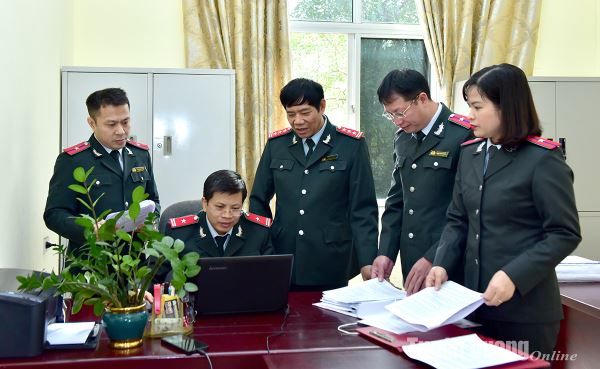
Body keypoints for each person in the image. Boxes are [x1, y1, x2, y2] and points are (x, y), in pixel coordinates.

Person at [426, 63, 581, 356]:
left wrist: (513, 275)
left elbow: (564, 233)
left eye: (477, 106)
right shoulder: (470, 153)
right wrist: (441, 262)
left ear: (506, 107)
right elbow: (458, 220)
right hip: (472, 306)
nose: (469, 115)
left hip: (524, 314)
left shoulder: (542, 159)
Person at [249, 78, 379, 290]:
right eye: (291, 114)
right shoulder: (277, 145)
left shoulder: (350, 145)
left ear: (322, 106)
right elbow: (258, 199)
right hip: (283, 255)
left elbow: (363, 209)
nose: (297, 121)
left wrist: (367, 260)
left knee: (328, 322)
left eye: (305, 112)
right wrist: (263, 247)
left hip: (330, 259)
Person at [371, 69, 472, 294]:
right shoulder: (403, 139)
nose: (397, 122)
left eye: (400, 112)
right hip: (413, 262)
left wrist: (434, 257)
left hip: (450, 262)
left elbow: (468, 211)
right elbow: (397, 201)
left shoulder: (463, 135)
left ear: (422, 99)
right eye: (390, 115)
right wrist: (386, 252)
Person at [44, 87, 160, 255]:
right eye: (111, 124)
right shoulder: (73, 160)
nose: (121, 131)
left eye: (126, 122)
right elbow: (54, 214)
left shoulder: (140, 155)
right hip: (92, 263)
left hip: (135, 262)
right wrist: (90, 230)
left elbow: (153, 200)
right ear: (92, 123)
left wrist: (150, 222)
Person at [165, 169, 274, 257]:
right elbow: (157, 278)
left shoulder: (259, 232)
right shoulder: (179, 234)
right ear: (205, 203)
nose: (227, 215)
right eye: (220, 207)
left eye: (235, 208)